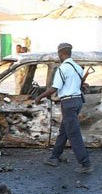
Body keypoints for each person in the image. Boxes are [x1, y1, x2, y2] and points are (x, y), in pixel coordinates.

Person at [35, 43, 93, 174]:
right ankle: (54, 157)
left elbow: (55, 88)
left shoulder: (63, 68)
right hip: (77, 101)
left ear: (61, 54)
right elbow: (78, 86)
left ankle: (86, 163)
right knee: (64, 131)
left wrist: (40, 97)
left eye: (59, 55)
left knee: (73, 134)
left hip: (68, 103)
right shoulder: (78, 67)